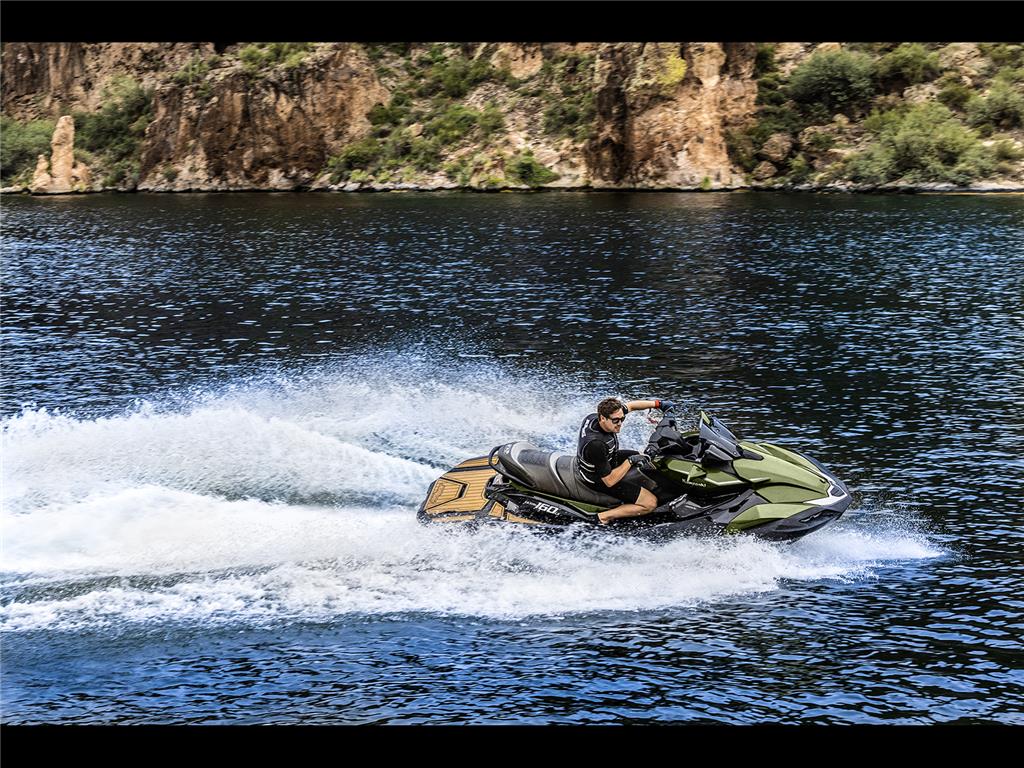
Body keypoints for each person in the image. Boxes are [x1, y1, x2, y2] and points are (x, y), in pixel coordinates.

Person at [576, 397, 676, 525]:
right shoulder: (596, 444)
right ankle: (603, 517)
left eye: (622, 419)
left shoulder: (598, 417)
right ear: (602, 418)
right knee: (650, 503)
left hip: (607, 459)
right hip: (597, 479)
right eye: (615, 421)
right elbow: (609, 481)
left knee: (641, 456)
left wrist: (660, 404)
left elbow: (631, 406)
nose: (620, 423)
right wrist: (630, 461)